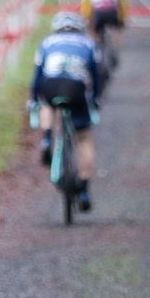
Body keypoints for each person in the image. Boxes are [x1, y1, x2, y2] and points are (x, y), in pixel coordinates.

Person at [31, 11, 103, 211]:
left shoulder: (47, 43)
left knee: (46, 103)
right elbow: (95, 76)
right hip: (75, 88)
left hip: (50, 85)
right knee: (84, 138)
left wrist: (33, 99)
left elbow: (37, 75)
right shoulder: (88, 43)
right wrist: (95, 100)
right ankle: (84, 189)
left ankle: (47, 138)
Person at [79, 0, 128, 69]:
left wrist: (86, 17)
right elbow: (122, 2)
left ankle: (94, 48)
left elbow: (87, 3)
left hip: (98, 13)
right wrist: (123, 18)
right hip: (113, 12)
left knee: (92, 31)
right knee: (117, 29)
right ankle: (114, 48)